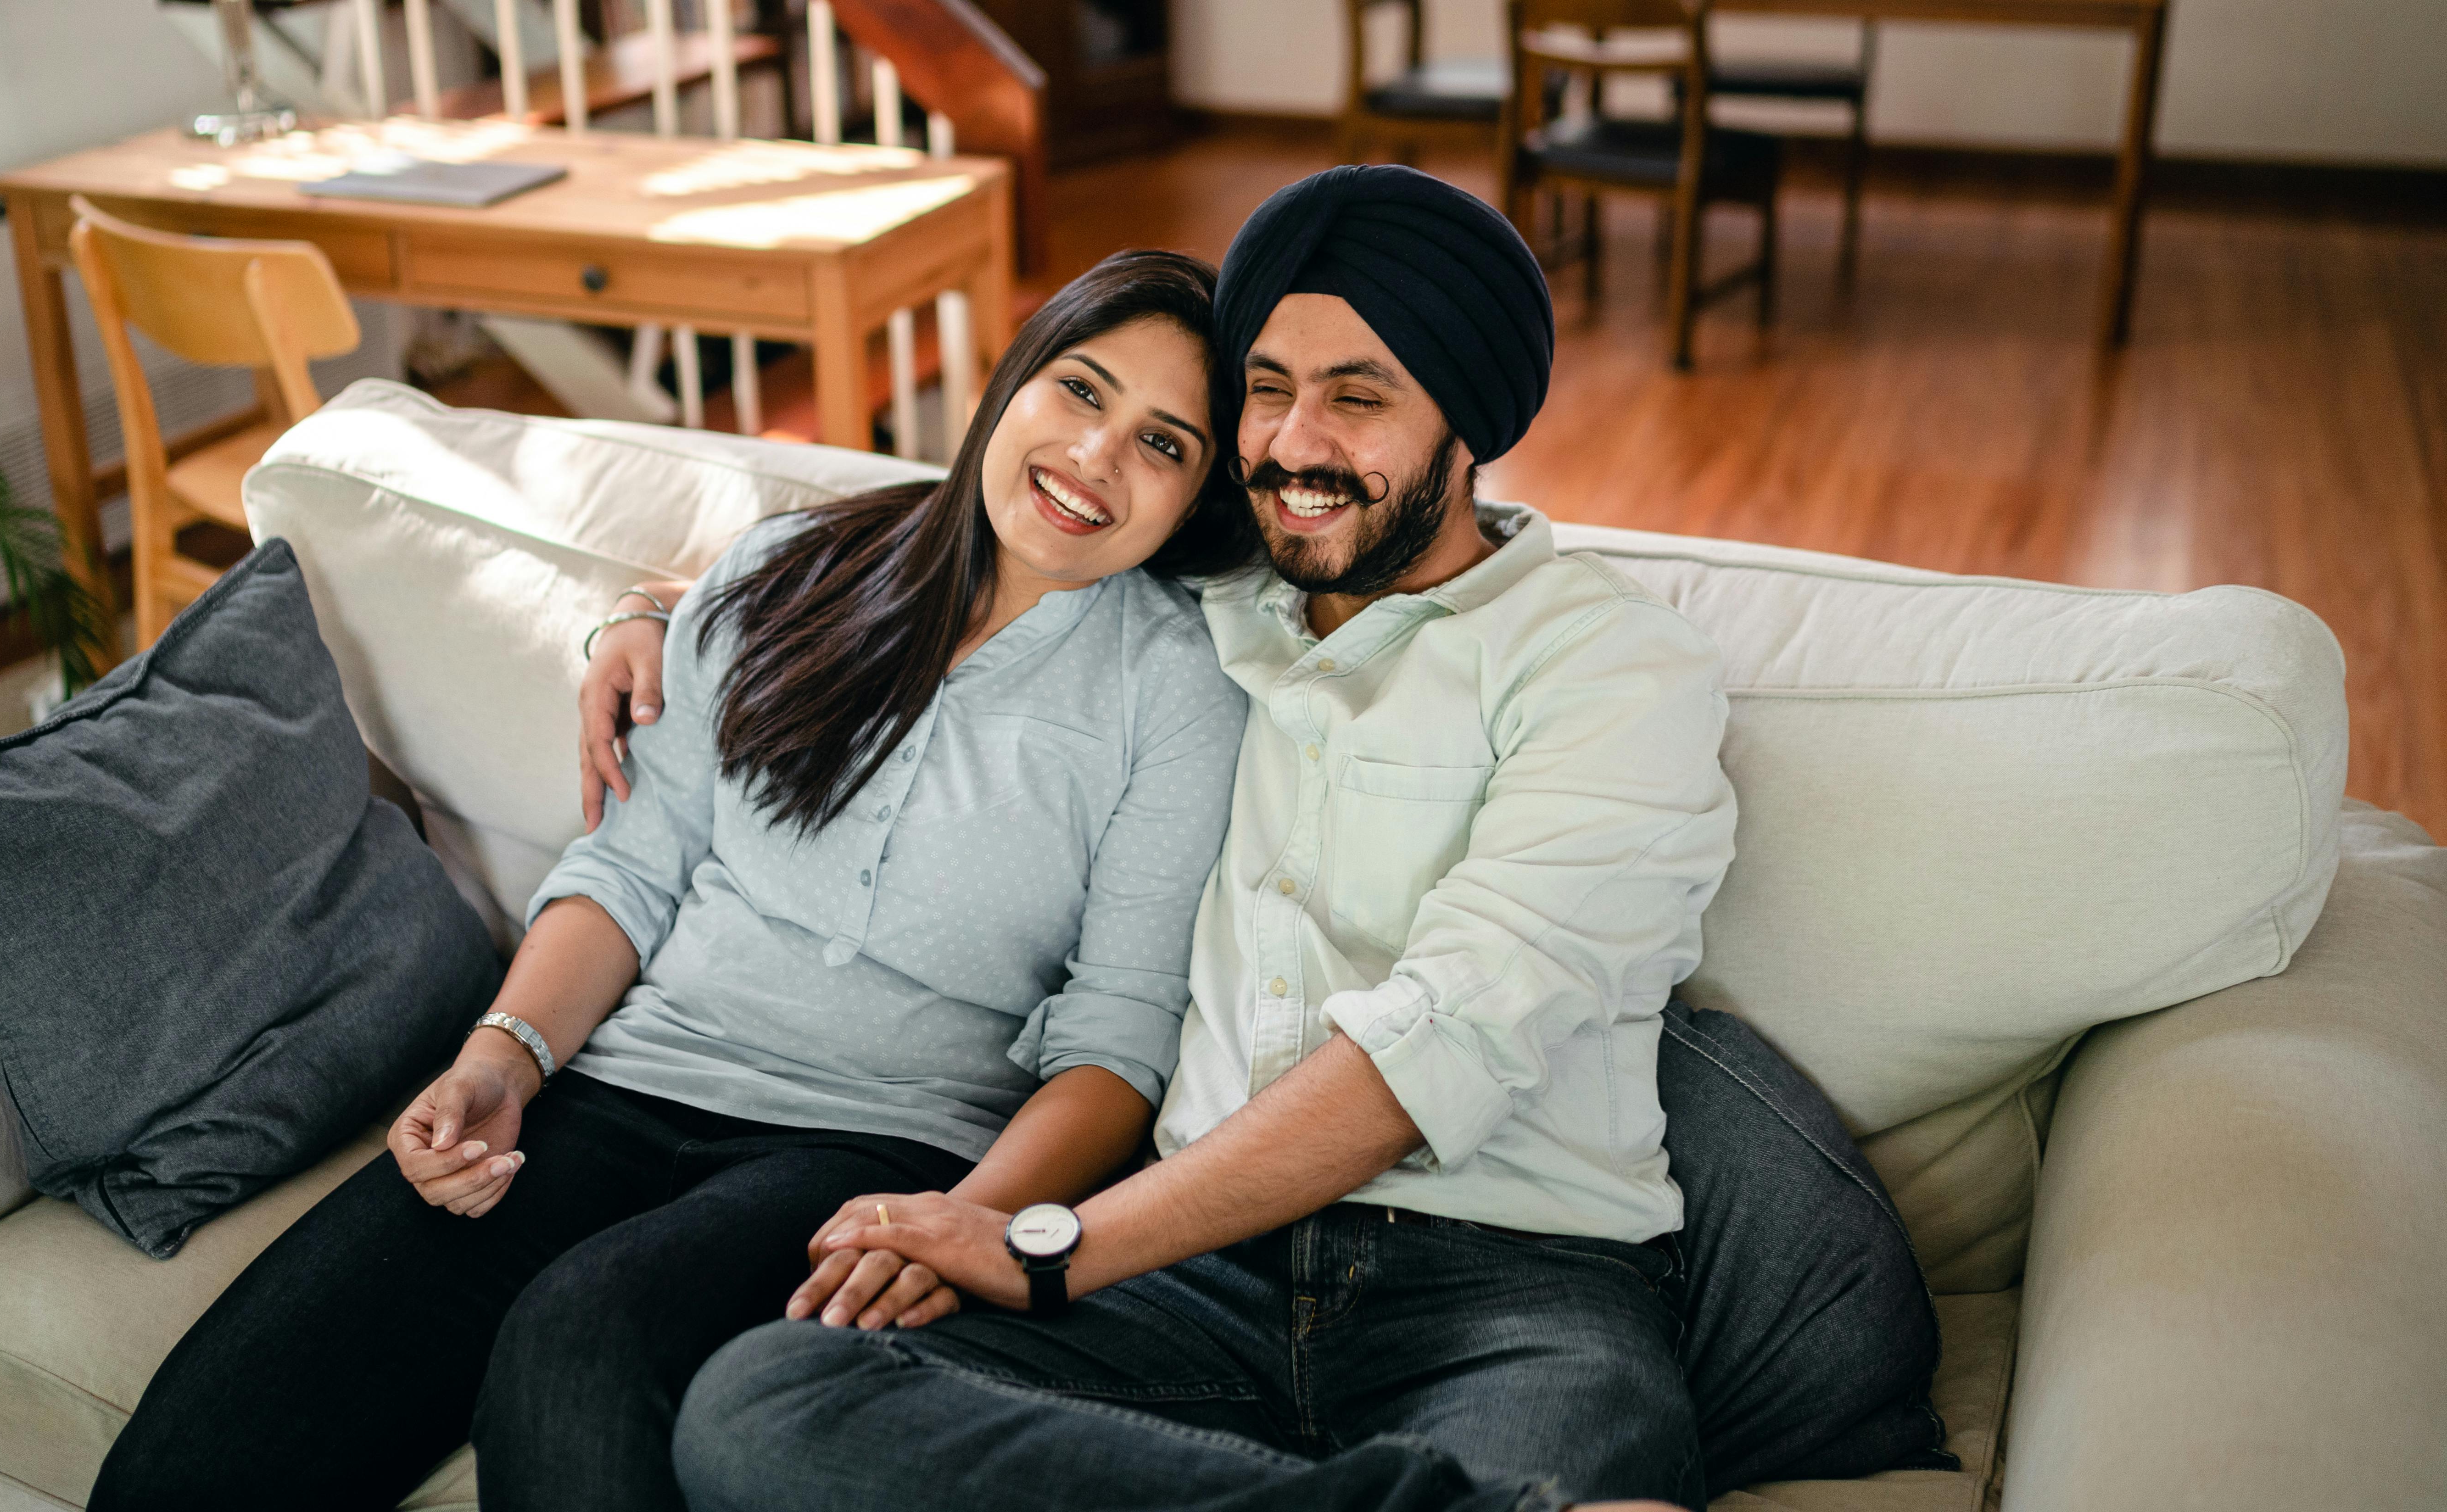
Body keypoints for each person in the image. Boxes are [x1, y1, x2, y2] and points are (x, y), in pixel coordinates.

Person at [590, 166, 1741, 1512]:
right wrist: (648, 609)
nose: (1293, 444)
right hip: (1186, 1292)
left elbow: (1435, 1048)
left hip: (1510, 1295)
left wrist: (1041, 1245)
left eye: (1359, 397)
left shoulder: (1616, 670)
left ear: (1468, 424)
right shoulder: (1211, 600)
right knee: (762, 1406)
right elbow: (968, 534)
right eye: (1266, 387)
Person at [87, 251, 1257, 1512]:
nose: (1096, 456)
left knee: (576, 1344)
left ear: (1194, 503)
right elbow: (631, 871)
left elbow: (1120, 1038)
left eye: (1164, 444)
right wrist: (501, 1061)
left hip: (871, 1149)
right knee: (200, 1443)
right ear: (1016, 374)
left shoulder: (1177, 692)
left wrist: (960, 1226)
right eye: (1081, 390)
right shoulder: (784, 573)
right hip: (621, 1087)